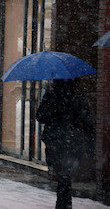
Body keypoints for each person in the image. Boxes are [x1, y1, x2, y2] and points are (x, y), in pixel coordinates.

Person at [36, 79, 93, 209]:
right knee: (65, 175)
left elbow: (40, 116)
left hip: (55, 141)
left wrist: (51, 103)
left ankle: (63, 203)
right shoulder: (77, 97)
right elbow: (86, 120)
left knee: (62, 175)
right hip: (70, 141)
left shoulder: (51, 97)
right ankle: (65, 203)